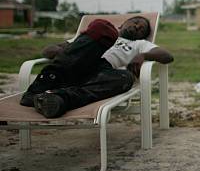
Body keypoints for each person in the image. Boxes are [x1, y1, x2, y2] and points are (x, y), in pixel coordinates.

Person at [20, 16, 173, 118]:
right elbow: (47, 51)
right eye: (135, 22)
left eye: (142, 29)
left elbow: (167, 56)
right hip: (77, 64)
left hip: (101, 73)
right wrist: (72, 49)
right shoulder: (97, 35)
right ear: (123, 23)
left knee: (126, 78)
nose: (137, 26)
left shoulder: (139, 44)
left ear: (142, 36)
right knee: (101, 27)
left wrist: (143, 55)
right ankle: (35, 91)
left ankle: (57, 98)